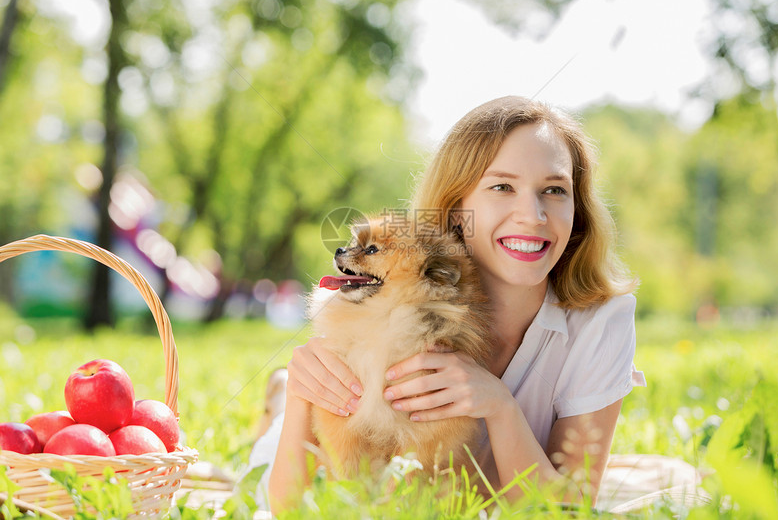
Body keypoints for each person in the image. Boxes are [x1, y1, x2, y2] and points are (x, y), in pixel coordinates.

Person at [261, 95, 646, 513]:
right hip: (317, 458)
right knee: (285, 411)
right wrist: (302, 396)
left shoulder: (601, 321)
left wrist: (499, 407)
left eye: (554, 190)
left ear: (578, 210)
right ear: (455, 208)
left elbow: (566, 511)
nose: (533, 215)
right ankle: (281, 398)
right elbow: (286, 506)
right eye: (502, 186)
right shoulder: (381, 298)